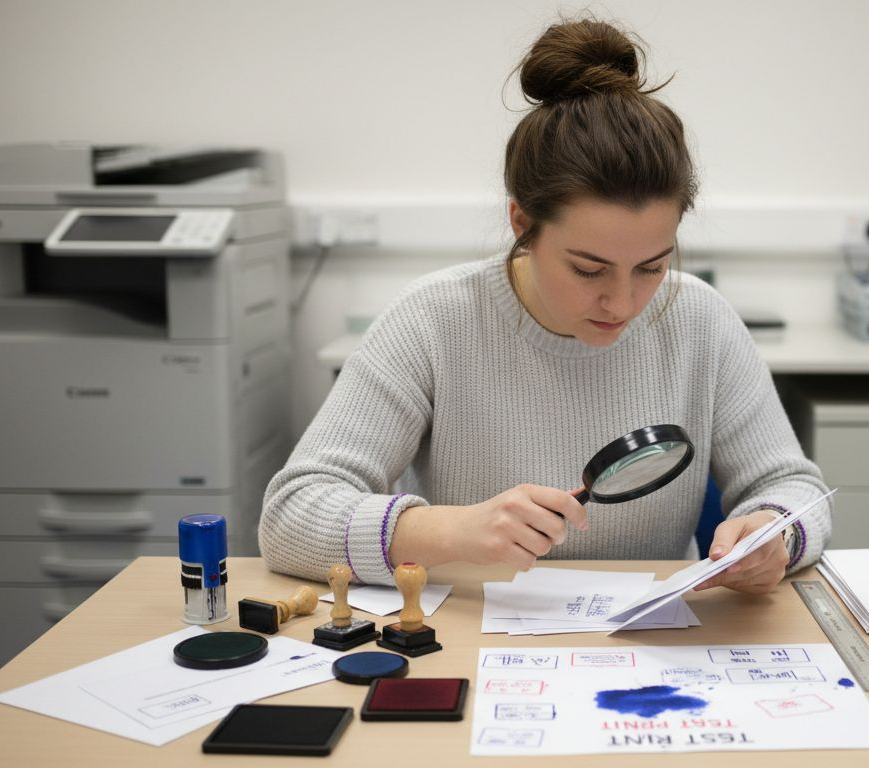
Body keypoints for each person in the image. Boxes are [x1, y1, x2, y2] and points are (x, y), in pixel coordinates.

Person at [260, 17, 832, 595]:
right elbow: (290, 517)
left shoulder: (700, 320)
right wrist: (452, 529)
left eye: (652, 267)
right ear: (523, 224)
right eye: (588, 269)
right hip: (477, 638)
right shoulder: (433, 320)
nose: (624, 302)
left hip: (658, 641)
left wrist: (775, 534)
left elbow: (793, 485)